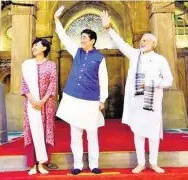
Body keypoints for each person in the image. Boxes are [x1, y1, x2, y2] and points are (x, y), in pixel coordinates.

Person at [101, 10, 173, 174]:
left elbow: (169, 80)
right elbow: (121, 44)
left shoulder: (160, 59)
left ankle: (153, 163)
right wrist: (108, 28)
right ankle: (141, 162)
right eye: (141, 40)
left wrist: (151, 84)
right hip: (136, 102)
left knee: (153, 133)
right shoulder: (135, 55)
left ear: (154, 44)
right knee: (139, 132)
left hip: (152, 102)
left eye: (146, 41)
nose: (142, 42)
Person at [54, 6, 108, 175]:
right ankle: (77, 165)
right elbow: (63, 37)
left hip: (91, 100)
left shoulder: (99, 58)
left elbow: (103, 80)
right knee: (75, 133)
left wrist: (102, 100)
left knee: (92, 134)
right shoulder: (76, 52)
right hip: (74, 98)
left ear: (92, 40)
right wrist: (56, 19)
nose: (81, 40)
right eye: (81, 37)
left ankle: (94, 165)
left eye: (84, 37)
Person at [21, 38, 57, 175]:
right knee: (31, 131)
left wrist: (42, 101)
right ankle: (32, 165)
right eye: (33, 45)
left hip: (46, 105)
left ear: (44, 48)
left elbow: (53, 84)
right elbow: (24, 85)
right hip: (31, 105)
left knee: (44, 131)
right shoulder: (27, 65)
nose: (34, 47)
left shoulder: (51, 65)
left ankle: (41, 163)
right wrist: (32, 100)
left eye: (37, 45)